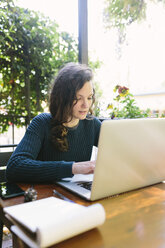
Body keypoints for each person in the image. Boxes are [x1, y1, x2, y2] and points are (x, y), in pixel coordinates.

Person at [6, 62, 101, 183]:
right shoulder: (41, 123)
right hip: (45, 196)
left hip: (76, 195)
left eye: (89, 97)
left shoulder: (93, 125)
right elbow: (14, 167)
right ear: (63, 97)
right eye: (78, 98)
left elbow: (120, 152)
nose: (86, 105)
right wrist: (73, 168)